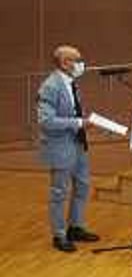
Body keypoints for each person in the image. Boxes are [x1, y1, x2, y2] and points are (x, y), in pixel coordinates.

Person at [37, 45, 100, 252]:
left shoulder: (72, 83)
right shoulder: (50, 86)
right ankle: (59, 235)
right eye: (77, 60)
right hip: (60, 146)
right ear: (65, 63)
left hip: (78, 143)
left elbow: (73, 112)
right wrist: (79, 123)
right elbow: (46, 121)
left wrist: (84, 123)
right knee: (59, 192)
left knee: (82, 186)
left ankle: (76, 227)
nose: (81, 63)